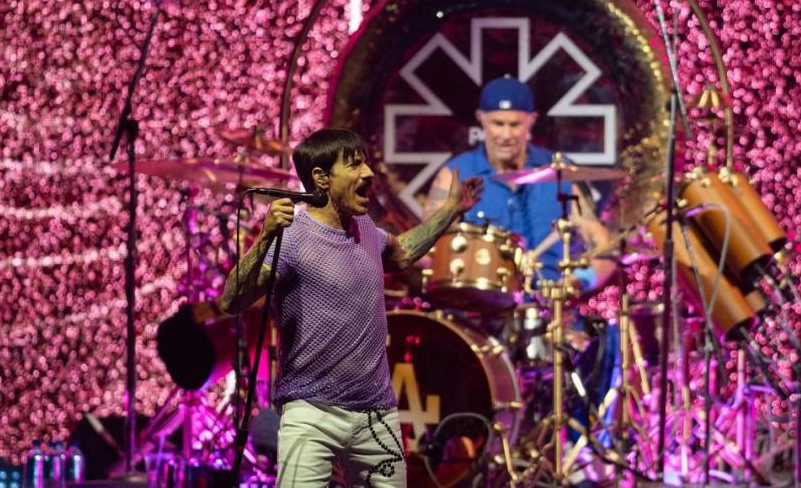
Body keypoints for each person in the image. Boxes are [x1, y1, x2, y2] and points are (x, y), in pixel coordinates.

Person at [217, 128, 482, 487]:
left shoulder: (365, 228)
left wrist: (452, 209)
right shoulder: (292, 236)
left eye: (366, 163)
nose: (369, 173)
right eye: (354, 165)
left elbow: (403, 251)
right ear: (321, 178)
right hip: (311, 413)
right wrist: (264, 239)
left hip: (377, 416)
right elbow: (232, 300)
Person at [425, 76, 613, 288]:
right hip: (478, 308)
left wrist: (579, 283)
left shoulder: (561, 173)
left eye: (515, 124)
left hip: (551, 306)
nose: (506, 135)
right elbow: (428, 250)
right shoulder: (455, 175)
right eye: (498, 124)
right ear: (480, 118)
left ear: (531, 120)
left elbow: (603, 251)